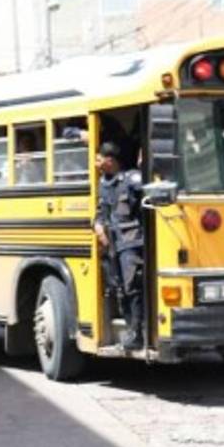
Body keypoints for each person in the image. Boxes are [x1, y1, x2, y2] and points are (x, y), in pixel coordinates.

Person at [93, 141, 146, 350]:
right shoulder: (103, 184)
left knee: (132, 286)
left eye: (98, 159)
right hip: (112, 244)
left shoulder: (130, 179)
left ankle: (137, 333)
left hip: (131, 241)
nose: (96, 163)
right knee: (119, 289)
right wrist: (98, 226)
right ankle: (130, 331)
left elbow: (148, 189)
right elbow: (100, 212)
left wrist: (144, 166)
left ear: (110, 160)